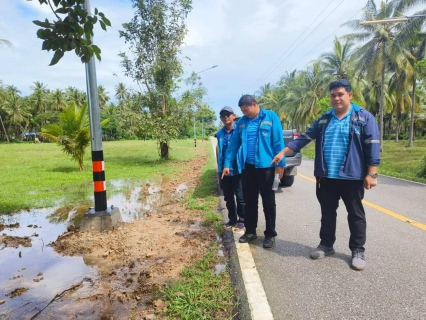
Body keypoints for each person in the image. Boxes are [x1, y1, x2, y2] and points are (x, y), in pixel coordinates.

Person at [271, 79, 380, 270]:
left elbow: (372, 144)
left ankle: (357, 250)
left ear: (349, 95)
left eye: (340, 94)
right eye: (333, 95)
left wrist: (372, 173)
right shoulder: (324, 119)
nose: (336, 98)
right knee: (327, 213)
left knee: (355, 214)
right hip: (326, 177)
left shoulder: (363, 117)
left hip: (352, 177)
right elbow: (305, 137)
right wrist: (283, 152)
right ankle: (326, 245)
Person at [222, 95, 285, 248]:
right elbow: (234, 145)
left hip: (266, 167)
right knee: (250, 202)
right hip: (248, 168)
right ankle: (250, 231)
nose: (244, 113)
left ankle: (270, 234)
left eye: (246, 110)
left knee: (268, 203)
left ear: (254, 104)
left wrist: (280, 165)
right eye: (242, 111)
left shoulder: (270, 117)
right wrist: (227, 163)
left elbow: (278, 141)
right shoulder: (242, 123)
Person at [216, 106, 246, 232]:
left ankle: (242, 220)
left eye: (228, 114)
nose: (226, 117)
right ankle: (232, 219)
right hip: (224, 170)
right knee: (228, 196)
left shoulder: (241, 130)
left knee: (240, 196)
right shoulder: (220, 134)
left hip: (238, 169)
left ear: (234, 116)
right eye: (223, 115)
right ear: (221, 118)